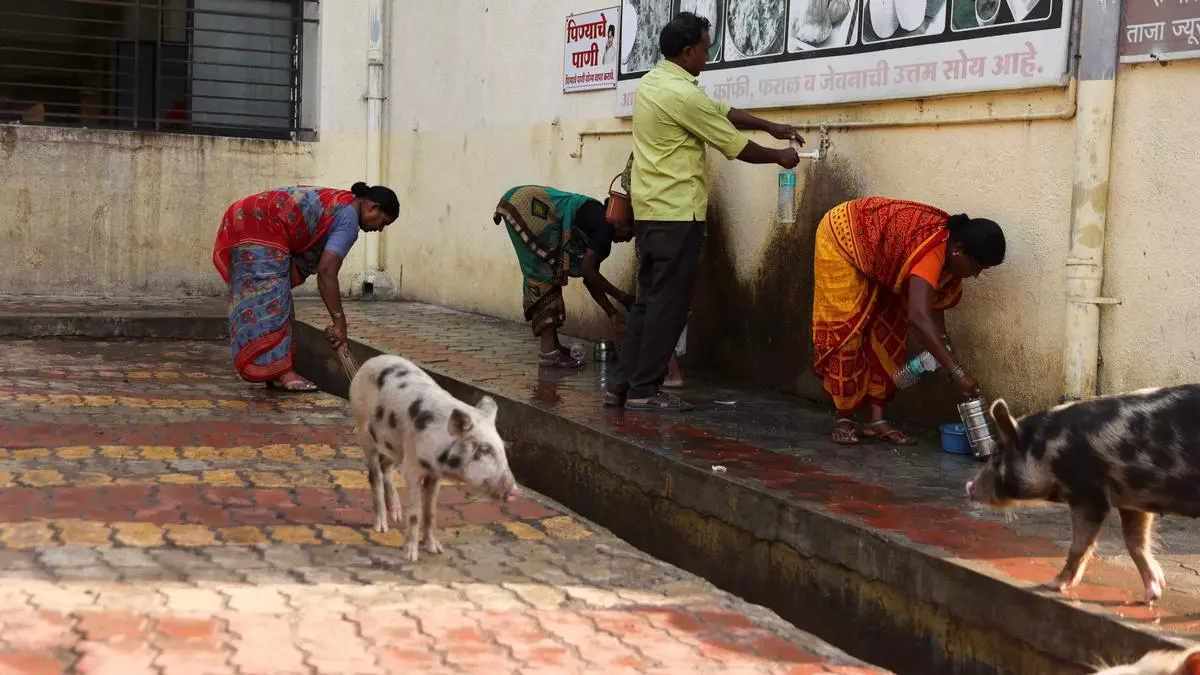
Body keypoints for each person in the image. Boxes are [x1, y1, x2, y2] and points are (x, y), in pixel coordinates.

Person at [604, 11, 803, 412]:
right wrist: (779, 156)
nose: (708, 56)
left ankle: (621, 387)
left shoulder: (654, 83)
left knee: (647, 302)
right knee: (668, 307)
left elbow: (719, 111)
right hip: (676, 215)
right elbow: (733, 144)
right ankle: (645, 390)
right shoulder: (681, 95)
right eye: (705, 49)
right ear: (687, 50)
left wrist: (770, 125)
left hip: (652, 212)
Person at [811, 197, 1006, 445]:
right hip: (843, 236)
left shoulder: (949, 262)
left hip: (879, 256)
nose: (976, 275)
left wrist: (947, 354)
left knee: (889, 329)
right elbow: (919, 318)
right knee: (848, 328)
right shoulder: (931, 253)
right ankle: (845, 417)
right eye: (976, 266)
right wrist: (958, 373)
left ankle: (875, 422)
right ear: (958, 249)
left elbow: (934, 320)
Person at [212, 182, 399, 391]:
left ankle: (276, 372)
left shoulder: (343, 203)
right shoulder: (349, 220)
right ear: (373, 208)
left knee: (275, 300)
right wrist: (339, 322)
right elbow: (326, 272)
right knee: (272, 303)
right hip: (259, 225)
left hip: (246, 218)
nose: (380, 229)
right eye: (384, 222)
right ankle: (284, 375)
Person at [494, 185, 635, 368]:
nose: (628, 240)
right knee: (543, 277)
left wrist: (613, 313)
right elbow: (588, 270)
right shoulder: (605, 229)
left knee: (552, 274)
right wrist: (623, 297)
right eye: (630, 233)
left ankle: (553, 347)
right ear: (621, 222)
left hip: (518, 201)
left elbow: (590, 279)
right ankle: (548, 353)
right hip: (525, 207)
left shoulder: (601, 226)